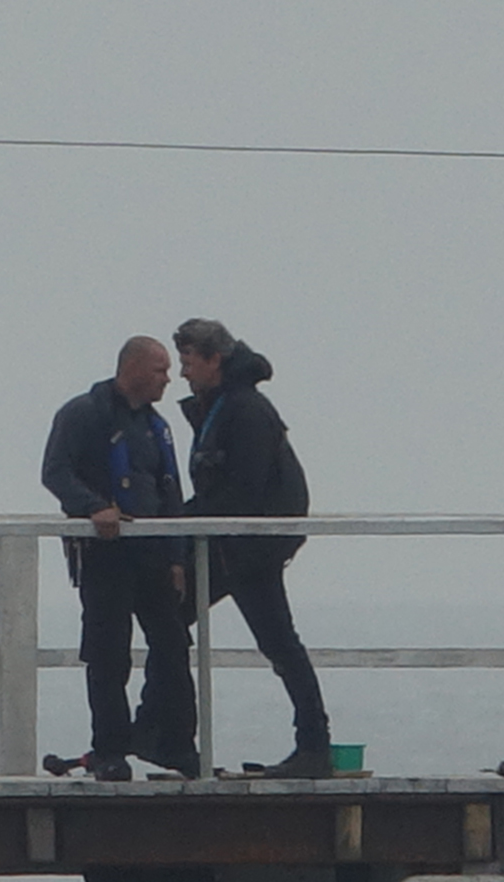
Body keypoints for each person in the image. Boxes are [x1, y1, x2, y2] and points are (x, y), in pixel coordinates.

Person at [173, 317, 332, 779]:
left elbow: (240, 491)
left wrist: (177, 521)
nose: (184, 373)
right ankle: (168, 734)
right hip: (238, 546)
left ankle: (313, 745)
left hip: (250, 549)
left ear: (213, 360)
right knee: (271, 639)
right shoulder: (225, 406)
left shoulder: (243, 410)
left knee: (277, 640)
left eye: (188, 362)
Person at [41, 336, 198, 781]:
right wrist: (93, 506)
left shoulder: (157, 427)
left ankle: (176, 746)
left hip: (152, 554)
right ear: (131, 369)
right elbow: (55, 471)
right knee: (109, 654)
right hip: (104, 555)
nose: (169, 378)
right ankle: (109, 749)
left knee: (172, 648)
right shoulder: (82, 414)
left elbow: (170, 492)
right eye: (160, 370)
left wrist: (176, 556)